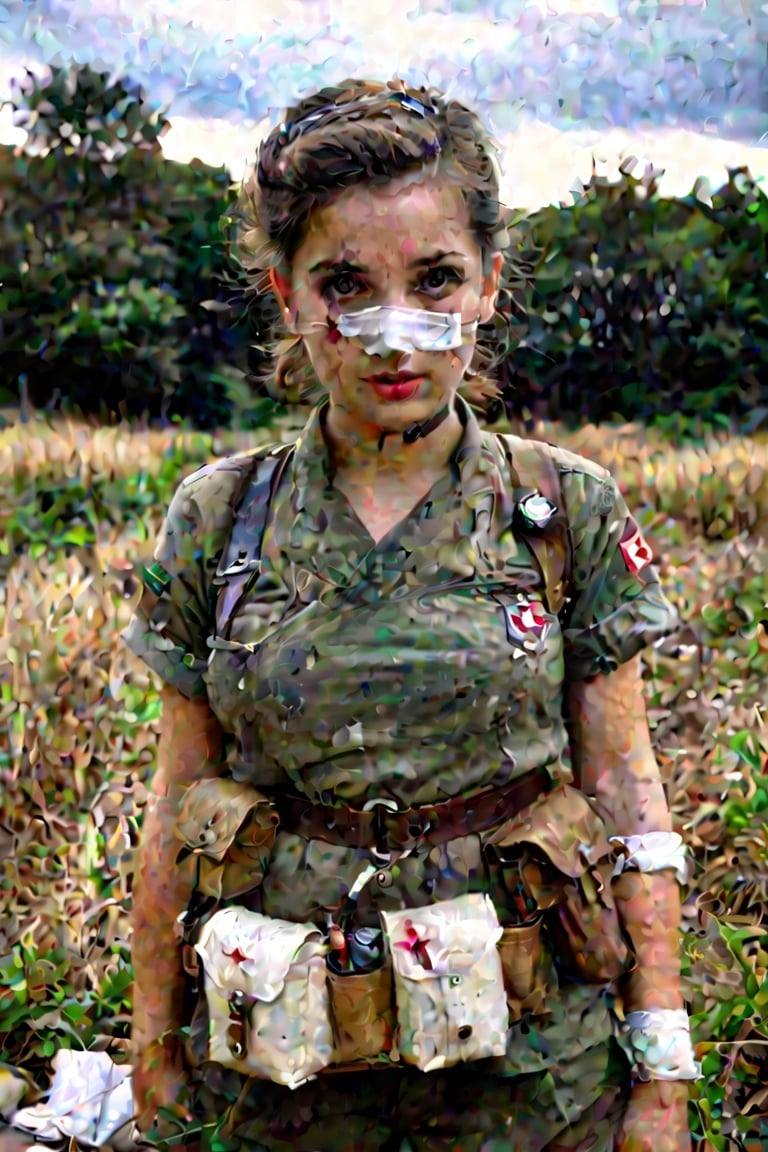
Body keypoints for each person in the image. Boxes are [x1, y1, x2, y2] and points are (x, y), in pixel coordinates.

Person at [121, 78, 699, 1152]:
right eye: (347, 285)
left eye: (435, 280)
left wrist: (662, 1072)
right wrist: (153, 1040)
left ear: (486, 286)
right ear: (288, 296)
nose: (395, 336)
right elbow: (174, 803)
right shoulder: (217, 517)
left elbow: (625, 789)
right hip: (280, 1078)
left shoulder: (562, 510)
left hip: (532, 1081)